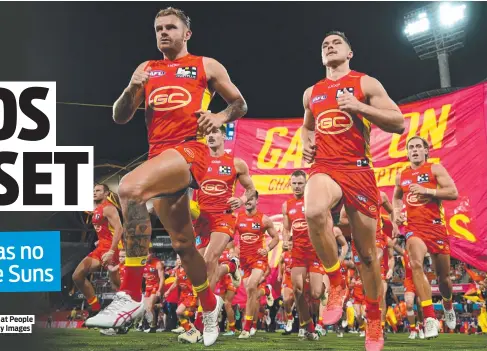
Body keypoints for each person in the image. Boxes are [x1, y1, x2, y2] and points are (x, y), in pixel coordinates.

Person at [85, 7, 247, 347]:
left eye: (171, 27)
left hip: (191, 151)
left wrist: (219, 117)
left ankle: (129, 295)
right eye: (158, 27)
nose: (163, 32)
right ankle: (209, 307)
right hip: (161, 156)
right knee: (184, 246)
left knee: (129, 186)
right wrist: (132, 88)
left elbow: (239, 104)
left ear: (186, 33)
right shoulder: (146, 70)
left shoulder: (207, 65)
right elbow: (120, 116)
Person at [300, 31, 404, 350]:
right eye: (324, 44)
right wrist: (307, 140)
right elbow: (307, 125)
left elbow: (398, 122)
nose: (329, 46)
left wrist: (360, 106)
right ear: (321, 56)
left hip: (358, 169)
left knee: (369, 257)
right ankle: (336, 281)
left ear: (350, 53)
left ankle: (374, 320)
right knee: (314, 210)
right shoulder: (311, 93)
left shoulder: (365, 83)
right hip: (326, 167)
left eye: (336, 44)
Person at [393, 135, 458, 339]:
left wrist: (426, 190)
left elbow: (453, 192)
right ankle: (430, 318)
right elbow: (396, 197)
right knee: (416, 263)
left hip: (436, 228)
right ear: (407, 152)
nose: (414, 150)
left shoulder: (435, 169)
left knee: (444, 279)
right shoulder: (401, 175)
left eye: (418, 147)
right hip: (414, 229)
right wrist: (396, 213)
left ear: (425, 151)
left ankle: (447, 305)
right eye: (410, 147)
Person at [195, 125, 255, 289]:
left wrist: (241, 200)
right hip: (201, 219)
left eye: (214, 132)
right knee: (199, 268)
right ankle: (231, 266)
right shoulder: (198, 162)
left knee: (210, 258)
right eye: (208, 133)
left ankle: (206, 311)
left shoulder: (236, 163)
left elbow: (251, 189)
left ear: (223, 136)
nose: (211, 136)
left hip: (223, 217)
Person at [282, 170, 325, 340]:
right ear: (290, 184)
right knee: (297, 290)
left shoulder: (314, 202)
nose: (297, 186)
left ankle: (325, 291)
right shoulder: (287, 205)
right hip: (298, 252)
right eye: (294, 183)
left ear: (306, 184)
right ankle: (309, 327)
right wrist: (285, 240)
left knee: (315, 294)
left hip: (314, 252)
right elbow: (286, 229)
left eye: (300, 183)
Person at [73, 184, 122, 316]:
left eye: (98, 191)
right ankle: (95, 309)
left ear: (106, 194)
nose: (94, 193)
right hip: (100, 248)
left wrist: (112, 251)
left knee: (116, 286)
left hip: (111, 248)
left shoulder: (109, 208)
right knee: (77, 276)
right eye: (93, 191)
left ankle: (126, 314)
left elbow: (119, 228)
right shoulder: (97, 210)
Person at [235, 192, 279, 339]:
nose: (247, 201)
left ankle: (246, 328)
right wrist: (231, 249)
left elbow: (276, 238)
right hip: (244, 262)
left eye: (251, 199)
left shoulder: (264, 219)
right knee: (251, 294)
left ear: (256, 201)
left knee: (251, 287)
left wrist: (267, 249)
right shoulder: (237, 218)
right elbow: (228, 235)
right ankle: (266, 291)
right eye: (246, 198)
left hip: (259, 260)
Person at [142, 249, 164, 333]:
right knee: (147, 308)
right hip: (148, 287)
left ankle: (153, 326)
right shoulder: (143, 263)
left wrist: (159, 290)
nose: (145, 256)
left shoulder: (158, 263)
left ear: (151, 254)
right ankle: (151, 325)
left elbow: (162, 278)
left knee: (150, 305)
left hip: (155, 287)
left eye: (147, 254)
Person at [278, 243, 294, 334]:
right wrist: (280, 274)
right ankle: (289, 320)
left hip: (297, 280)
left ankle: (303, 328)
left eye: (292, 245)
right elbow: (280, 262)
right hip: (287, 280)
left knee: (295, 303)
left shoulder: (300, 254)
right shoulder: (284, 254)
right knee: (285, 300)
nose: (290, 246)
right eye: (289, 245)